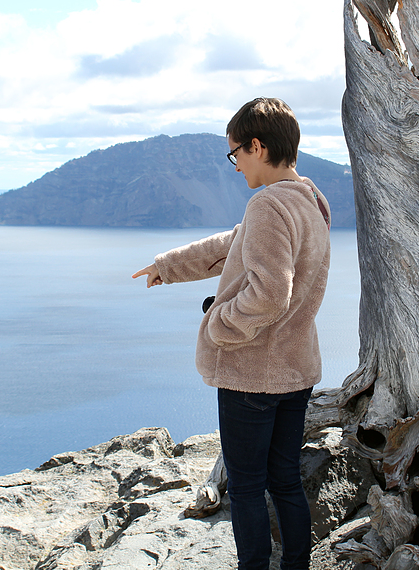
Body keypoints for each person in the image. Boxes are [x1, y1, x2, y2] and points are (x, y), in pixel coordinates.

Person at [132, 97, 331, 570]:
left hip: (250, 375)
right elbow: (236, 244)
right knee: (284, 479)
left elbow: (267, 295)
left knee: (244, 487)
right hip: (294, 370)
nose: (236, 164)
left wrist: (217, 326)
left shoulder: (267, 204)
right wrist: (169, 266)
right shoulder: (309, 201)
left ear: (257, 146)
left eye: (236, 153)